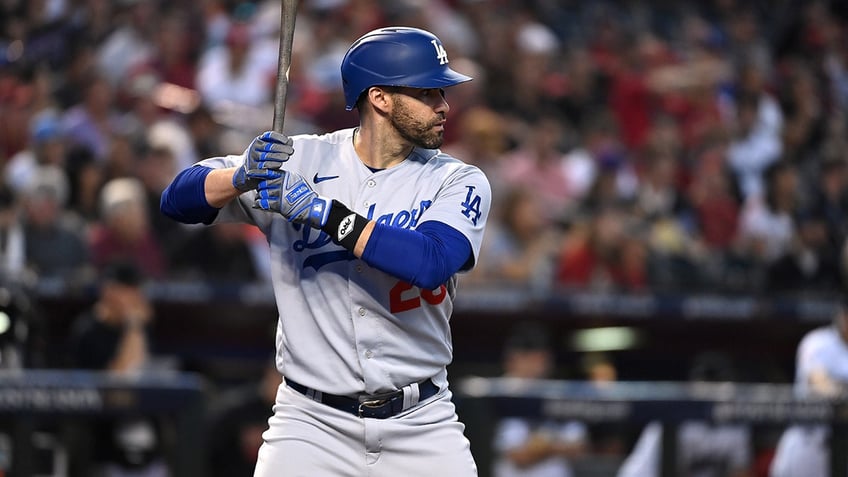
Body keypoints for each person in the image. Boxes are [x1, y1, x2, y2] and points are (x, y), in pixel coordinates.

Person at [160, 26, 491, 477]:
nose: (444, 105)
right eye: (429, 91)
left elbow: (430, 262)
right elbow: (176, 200)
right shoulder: (302, 159)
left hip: (421, 423)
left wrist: (320, 211)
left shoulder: (456, 179)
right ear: (380, 98)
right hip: (310, 424)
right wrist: (240, 176)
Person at [68, 260, 170, 477]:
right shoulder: (88, 331)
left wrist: (136, 327)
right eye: (128, 290)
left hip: (147, 450)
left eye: (136, 290)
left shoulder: (140, 328)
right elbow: (120, 379)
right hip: (104, 451)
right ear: (109, 291)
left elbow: (141, 371)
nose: (136, 298)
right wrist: (134, 325)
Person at [616, 352, 753, 477]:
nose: (712, 391)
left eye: (717, 383)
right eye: (707, 382)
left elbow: (740, 471)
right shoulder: (670, 420)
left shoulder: (736, 425)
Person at [491, 321, 589, 477]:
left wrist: (542, 445)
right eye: (530, 358)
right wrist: (556, 445)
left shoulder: (559, 392)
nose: (538, 364)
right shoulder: (503, 393)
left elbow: (579, 448)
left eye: (541, 358)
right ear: (513, 360)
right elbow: (519, 456)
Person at [769, 299, 848, 477]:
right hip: (811, 440)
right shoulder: (818, 342)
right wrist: (841, 390)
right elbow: (819, 382)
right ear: (842, 316)